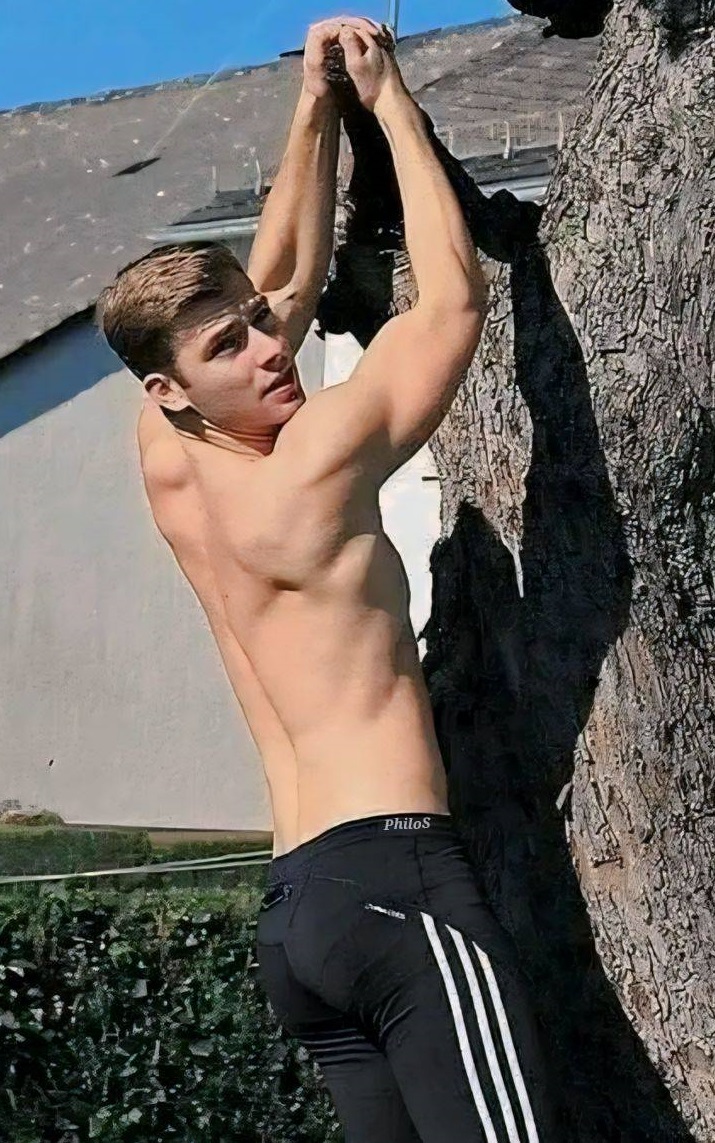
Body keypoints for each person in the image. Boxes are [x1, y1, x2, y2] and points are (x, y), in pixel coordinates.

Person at [97, 16, 562, 1142]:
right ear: (172, 388)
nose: (270, 348)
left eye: (260, 328)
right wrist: (391, 102)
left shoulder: (170, 459)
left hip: (300, 916)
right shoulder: (312, 463)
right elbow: (449, 306)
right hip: (400, 884)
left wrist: (313, 107)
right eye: (231, 349)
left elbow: (284, 277)